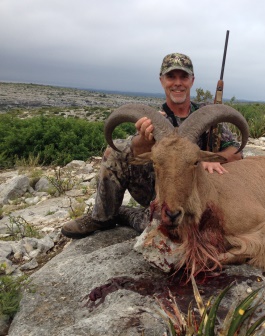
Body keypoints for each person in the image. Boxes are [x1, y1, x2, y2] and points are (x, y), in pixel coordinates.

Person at [61, 53, 243, 239]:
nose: (178, 83)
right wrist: (143, 140)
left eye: (184, 77)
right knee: (115, 152)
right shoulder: (156, 120)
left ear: (192, 80)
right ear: (162, 80)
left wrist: (208, 162)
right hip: (158, 189)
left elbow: (236, 152)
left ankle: (130, 214)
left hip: (200, 191)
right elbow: (136, 155)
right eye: (171, 77)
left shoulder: (207, 116)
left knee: (176, 229)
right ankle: (102, 217)